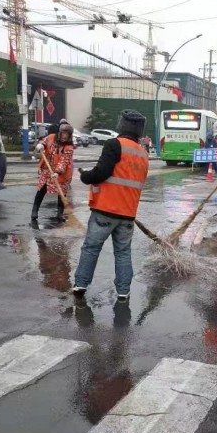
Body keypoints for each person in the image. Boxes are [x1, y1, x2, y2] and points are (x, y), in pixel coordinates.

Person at [72, 110, 149, 303]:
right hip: (128, 213)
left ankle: (81, 284)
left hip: (106, 210)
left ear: (123, 125)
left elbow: (101, 173)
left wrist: (85, 176)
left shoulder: (114, 144)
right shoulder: (143, 153)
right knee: (123, 252)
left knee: (91, 247)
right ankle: (123, 291)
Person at [31, 121, 74, 222]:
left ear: (70, 136)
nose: (64, 137)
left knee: (61, 192)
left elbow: (64, 161)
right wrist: (41, 145)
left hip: (61, 173)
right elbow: (44, 142)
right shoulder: (51, 137)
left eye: (67, 135)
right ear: (60, 133)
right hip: (47, 169)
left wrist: (57, 172)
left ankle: (59, 213)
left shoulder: (69, 147)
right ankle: (34, 212)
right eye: (63, 134)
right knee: (42, 190)